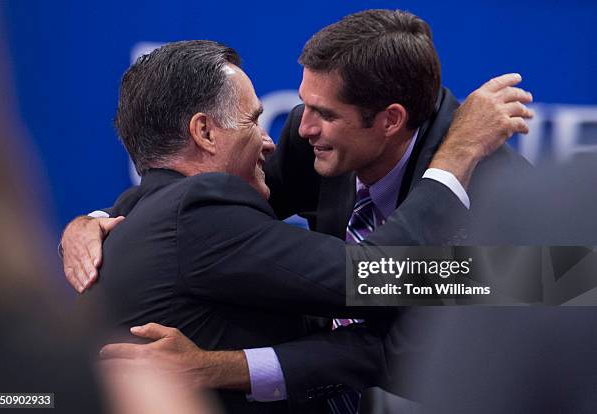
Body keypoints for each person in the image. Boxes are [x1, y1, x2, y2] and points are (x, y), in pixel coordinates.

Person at [63, 10, 533, 413]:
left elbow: (559, 281)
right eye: (303, 106)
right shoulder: (311, 141)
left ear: (390, 120)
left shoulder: (501, 190)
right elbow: (183, 204)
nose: (299, 129)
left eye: (326, 114)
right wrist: (98, 218)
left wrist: (222, 368)